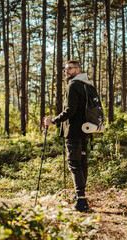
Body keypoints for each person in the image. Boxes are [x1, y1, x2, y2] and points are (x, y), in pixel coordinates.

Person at [44, 60, 91, 212]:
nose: (66, 71)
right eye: (65, 69)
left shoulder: (73, 86)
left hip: (74, 131)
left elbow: (70, 110)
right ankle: (80, 196)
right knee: (82, 163)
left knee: (74, 163)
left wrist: (53, 121)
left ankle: (81, 200)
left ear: (78, 69)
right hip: (85, 131)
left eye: (69, 69)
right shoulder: (86, 85)